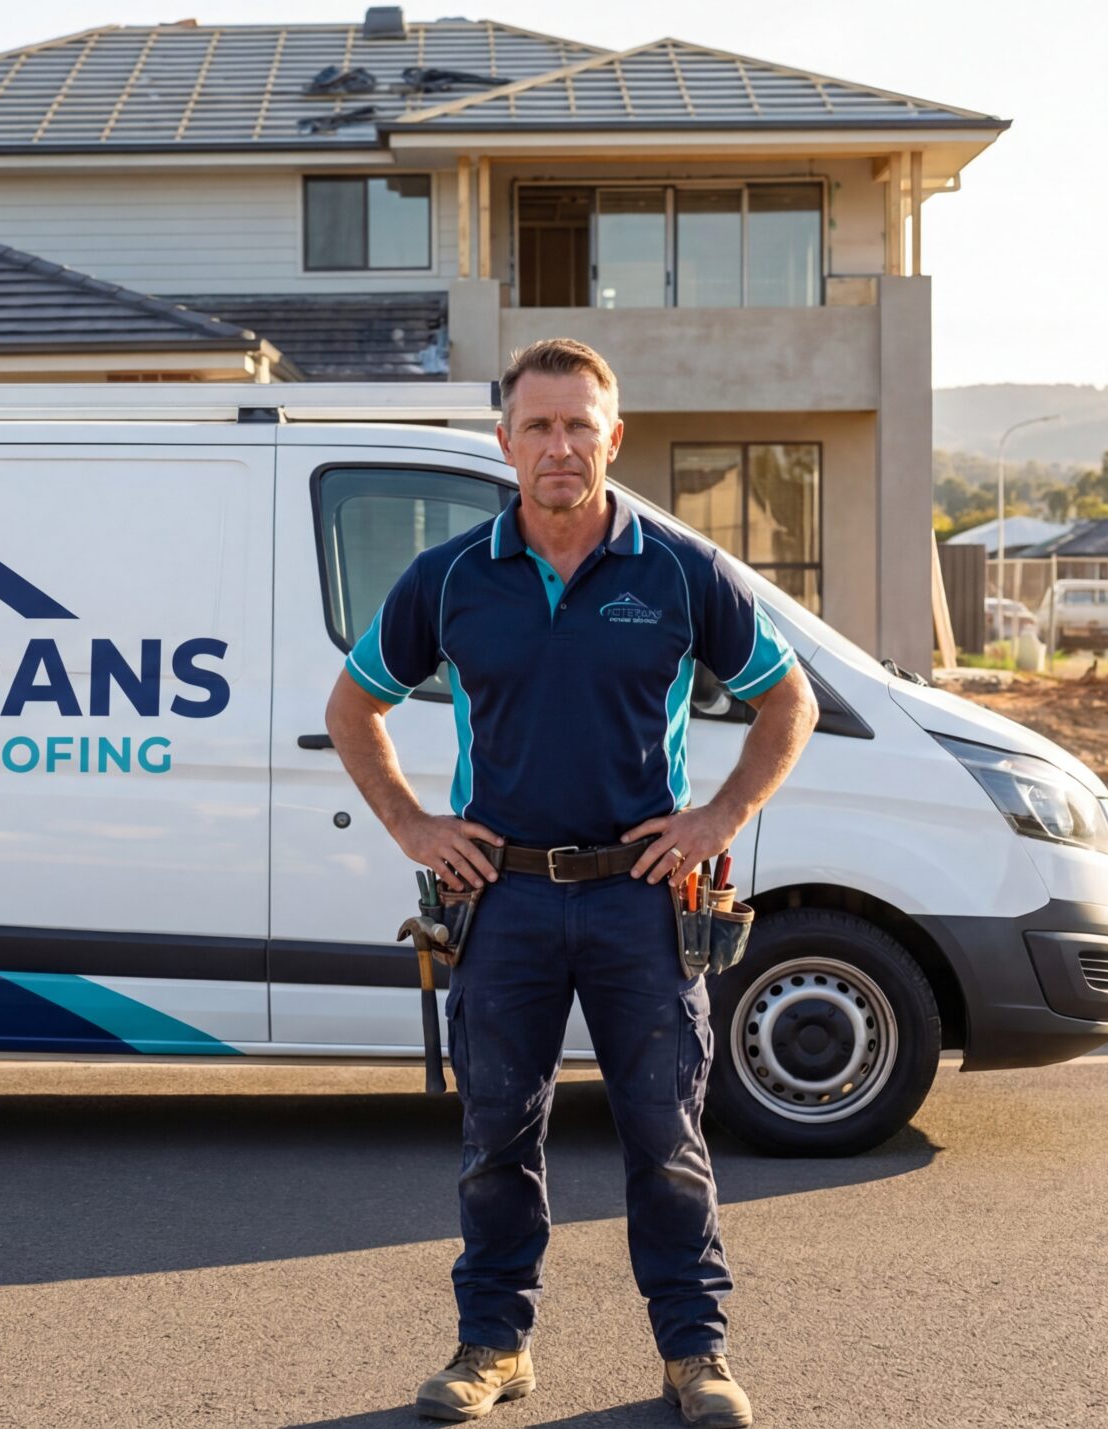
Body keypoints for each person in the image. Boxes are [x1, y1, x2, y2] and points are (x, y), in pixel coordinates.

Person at [325, 339, 818, 1427]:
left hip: (641, 900)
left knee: (665, 1133)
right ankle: (493, 1345)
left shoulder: (680, 571)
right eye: (536, 426)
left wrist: (719, 816)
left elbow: (790, 702)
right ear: (504, 442)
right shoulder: (449, 577)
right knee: (498, 1132)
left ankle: (697, 1354)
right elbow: (351, 705)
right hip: (500, 899)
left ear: (613, 436)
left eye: (577, 425)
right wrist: (413, 823)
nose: (558, 446)